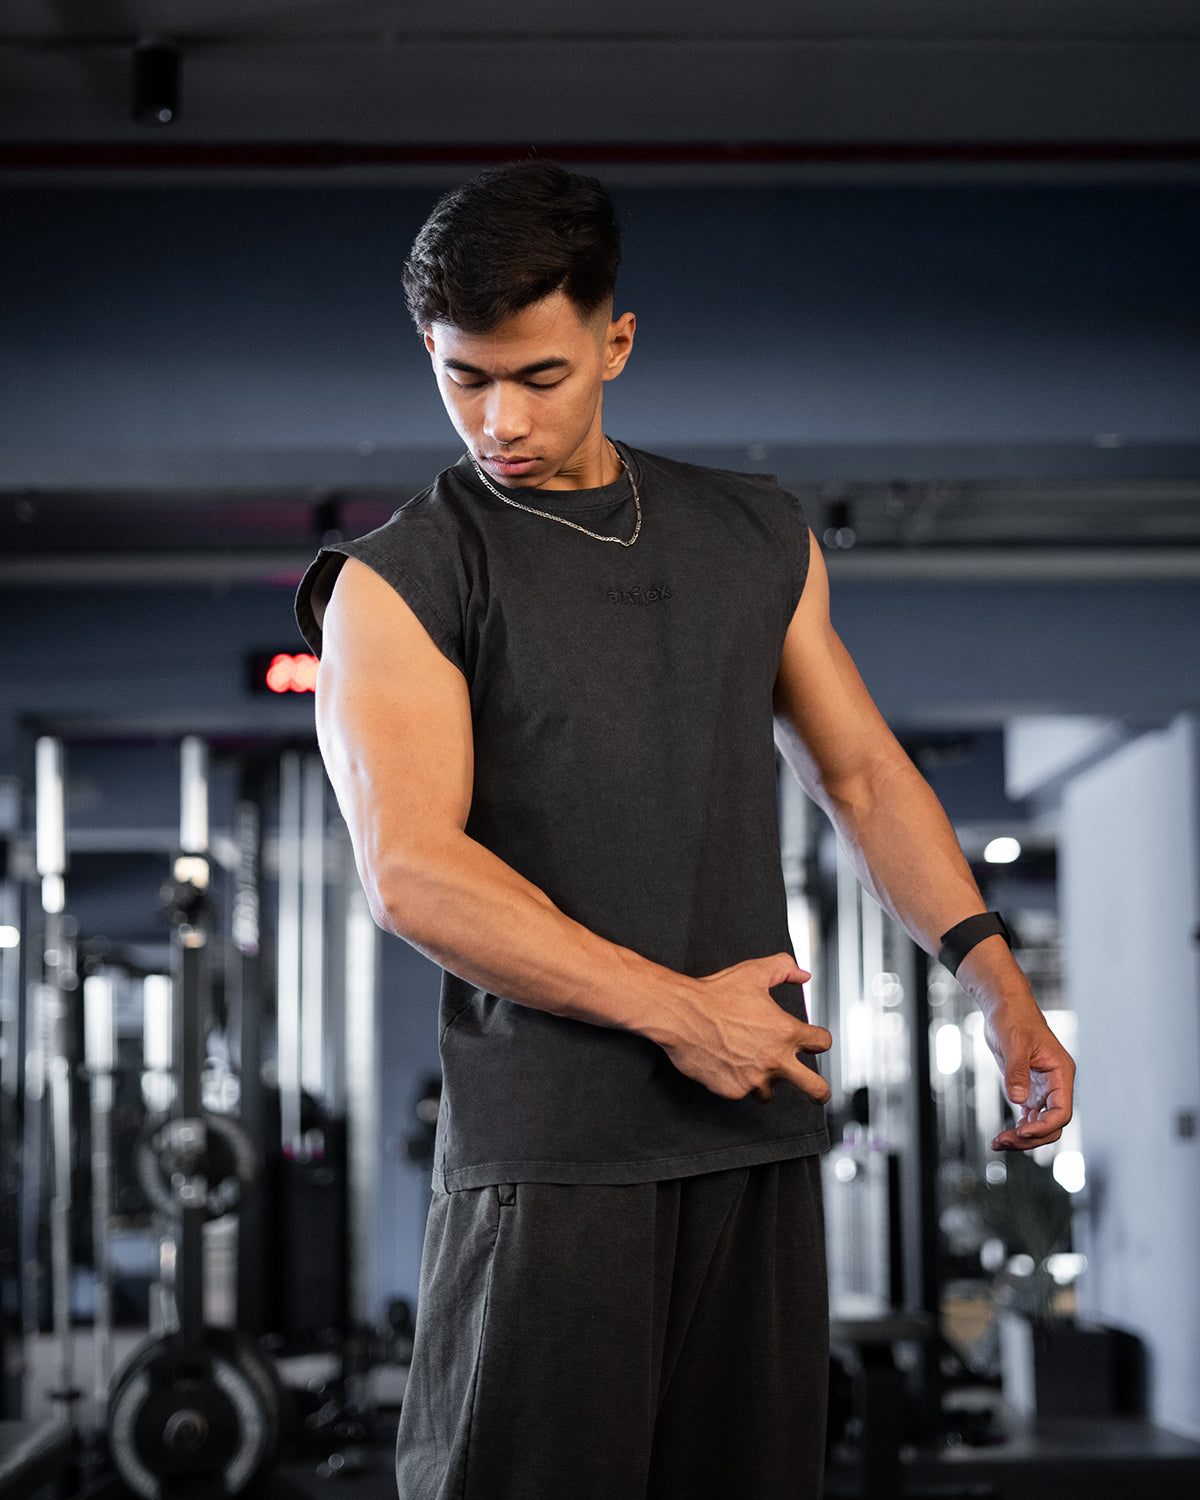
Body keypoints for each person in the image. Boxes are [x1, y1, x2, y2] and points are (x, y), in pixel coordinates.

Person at [295, 160, 1074, 1500]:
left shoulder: (753, 532)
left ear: (615, 341)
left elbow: (867, 777)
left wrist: (998, 985)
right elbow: (414, 873)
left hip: (754, 1132)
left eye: (536, 376)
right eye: (460, 375)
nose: (498, 419)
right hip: (550, 1159)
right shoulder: (402, 579)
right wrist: (678, 1013)